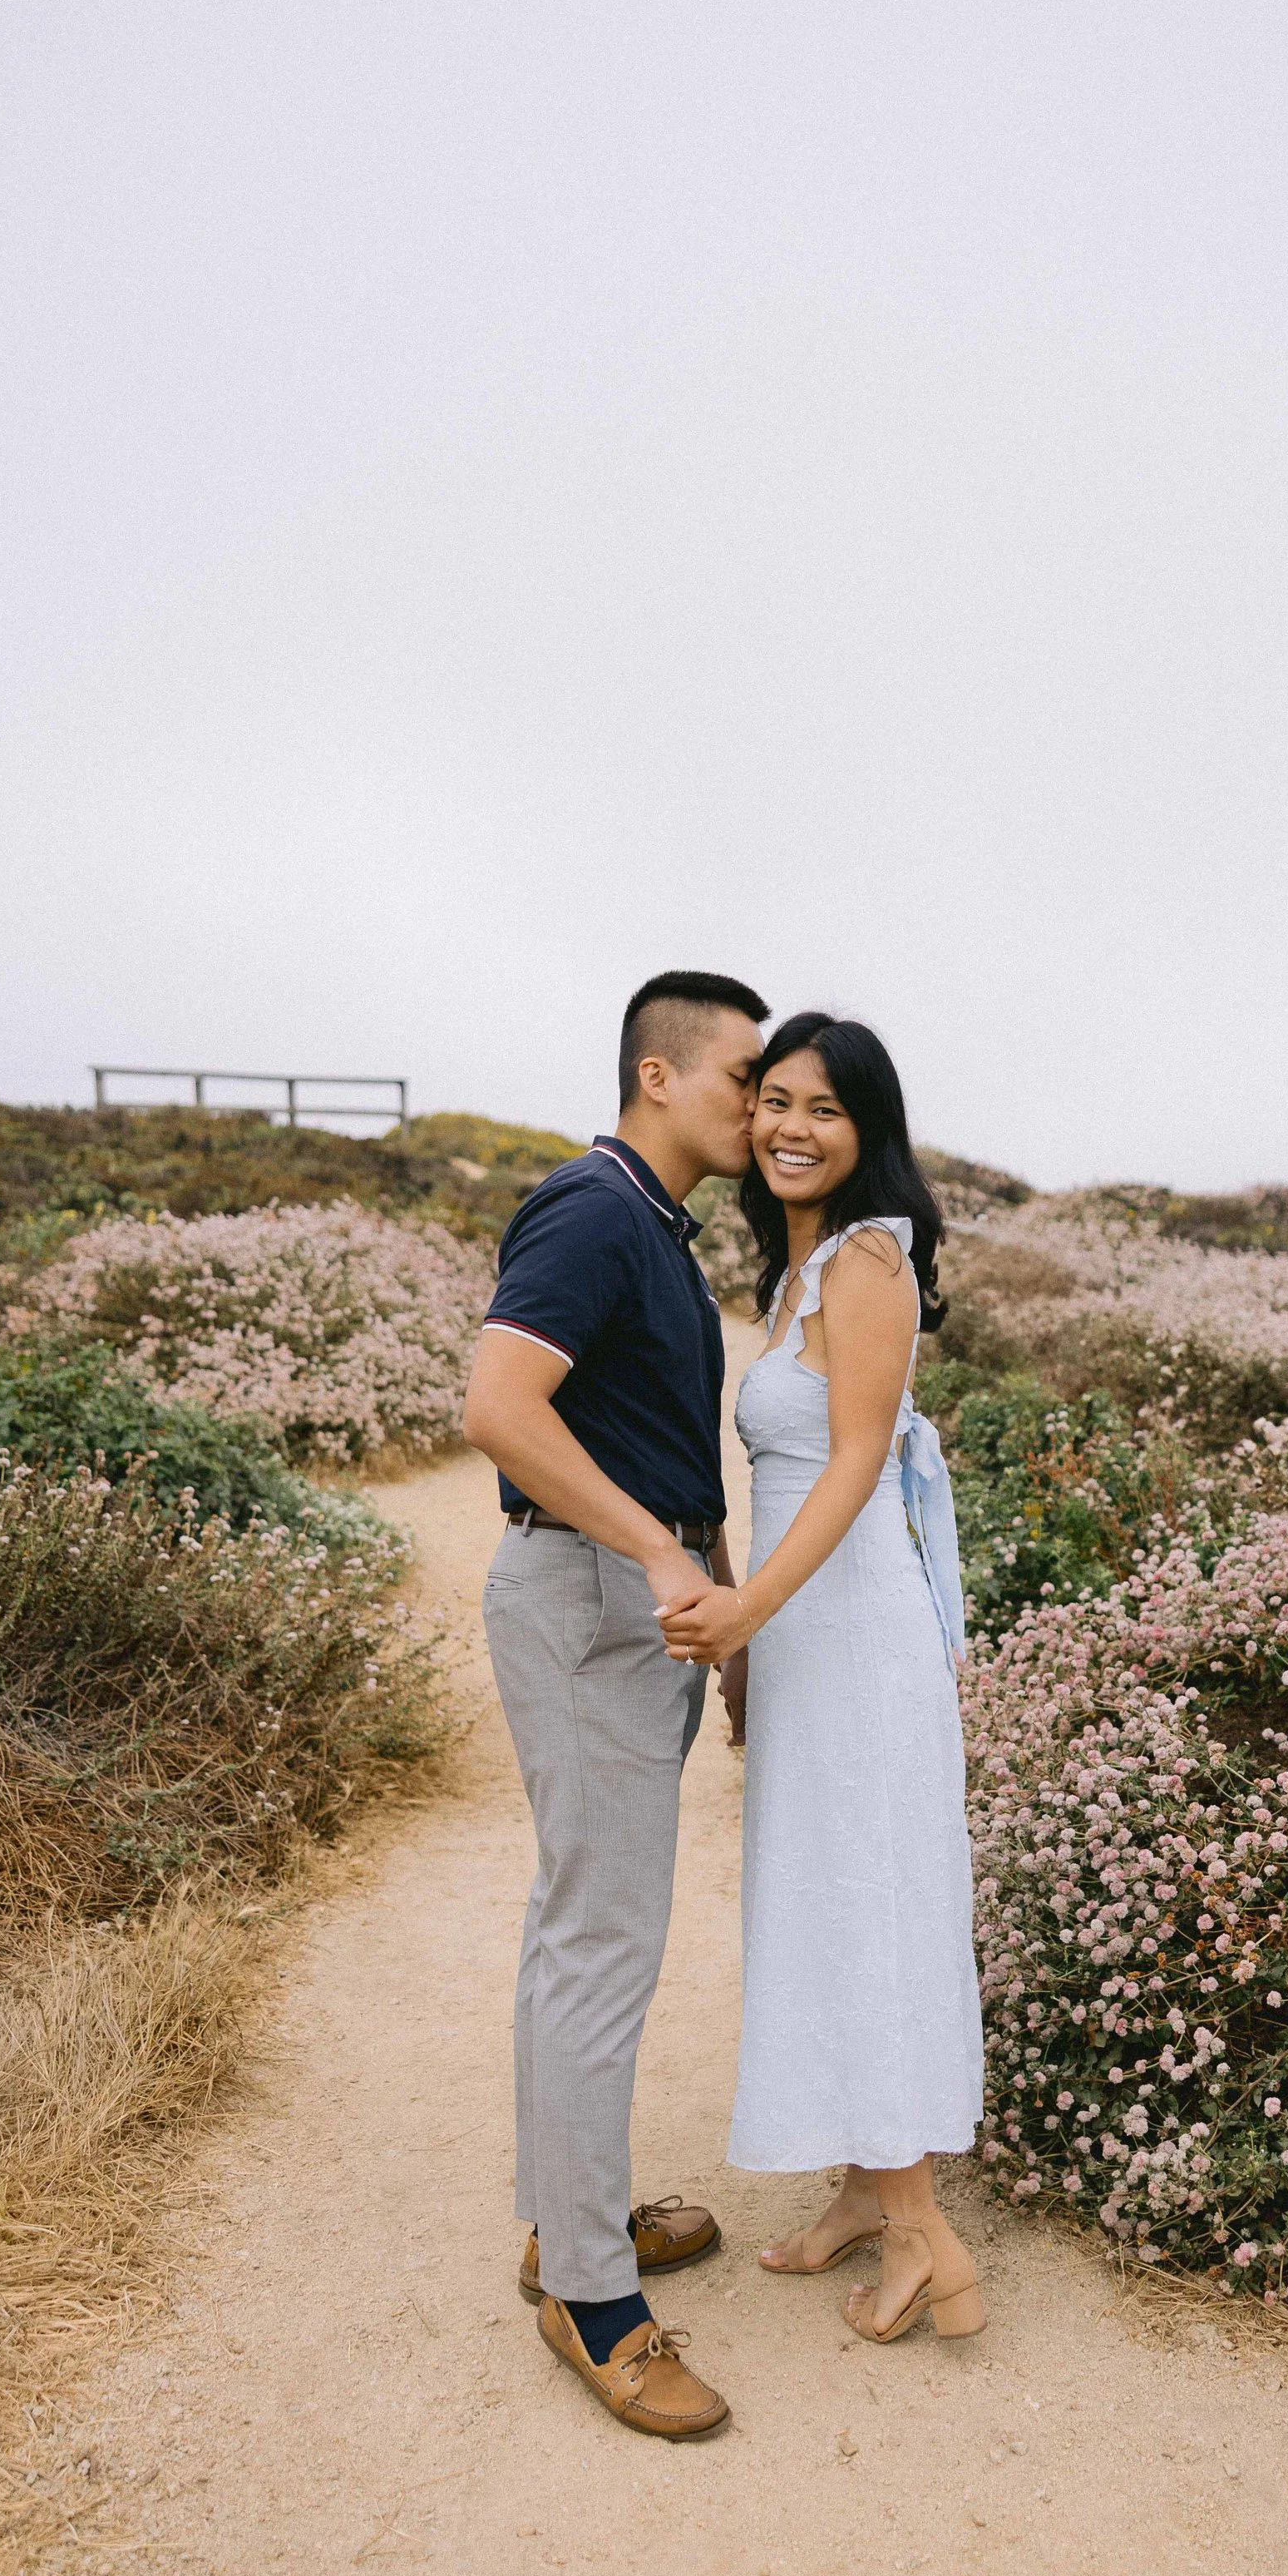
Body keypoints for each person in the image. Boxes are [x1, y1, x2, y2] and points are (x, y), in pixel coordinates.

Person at [461, 968, 767, 2440]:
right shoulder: (592, 1211)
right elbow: (498, 1405)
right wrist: (656, 1551)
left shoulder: (651, 1226)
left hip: (618, 1605)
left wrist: (722, 1610)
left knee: (570, 1930)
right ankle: (592, 2302)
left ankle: (563, 2221)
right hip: (588, 1601)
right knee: (601, 1946)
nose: (763, 1105)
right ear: (659, 1075)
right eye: (743, 1079)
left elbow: (657, 1438)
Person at [659, 1012, 987, 2346]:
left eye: (826, 1111)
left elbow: (853, 1467)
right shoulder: (799, 1271)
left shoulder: (865, 1264)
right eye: (775, 1099)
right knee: (820, 1893)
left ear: (870, 1136)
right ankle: (866, 2184)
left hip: (846, 1625)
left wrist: (745, 1608)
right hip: (815, 1626)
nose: (792, 1126)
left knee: (862, 1898)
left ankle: (926, 2238)